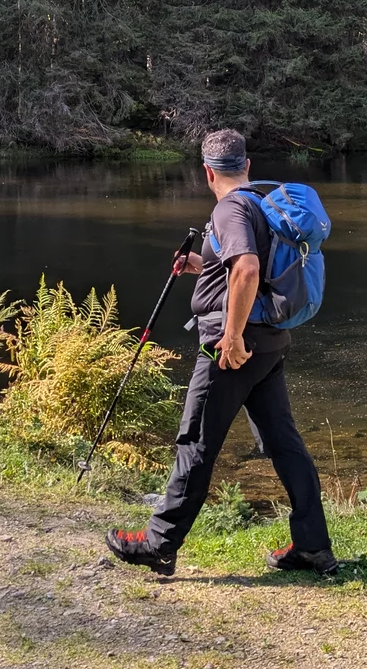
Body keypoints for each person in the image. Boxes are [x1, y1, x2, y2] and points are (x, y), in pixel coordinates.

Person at [105, 129, 337, 578]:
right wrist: (202, 265)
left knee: (195, 442)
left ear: (208, 172)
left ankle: (159, 542)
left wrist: (230, 337)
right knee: (284, 443)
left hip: (233, 347)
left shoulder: (229, 207)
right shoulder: (260, 203)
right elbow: (245, 265)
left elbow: (248, 269)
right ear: (246, 166)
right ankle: (312, 545)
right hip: (269, 339)